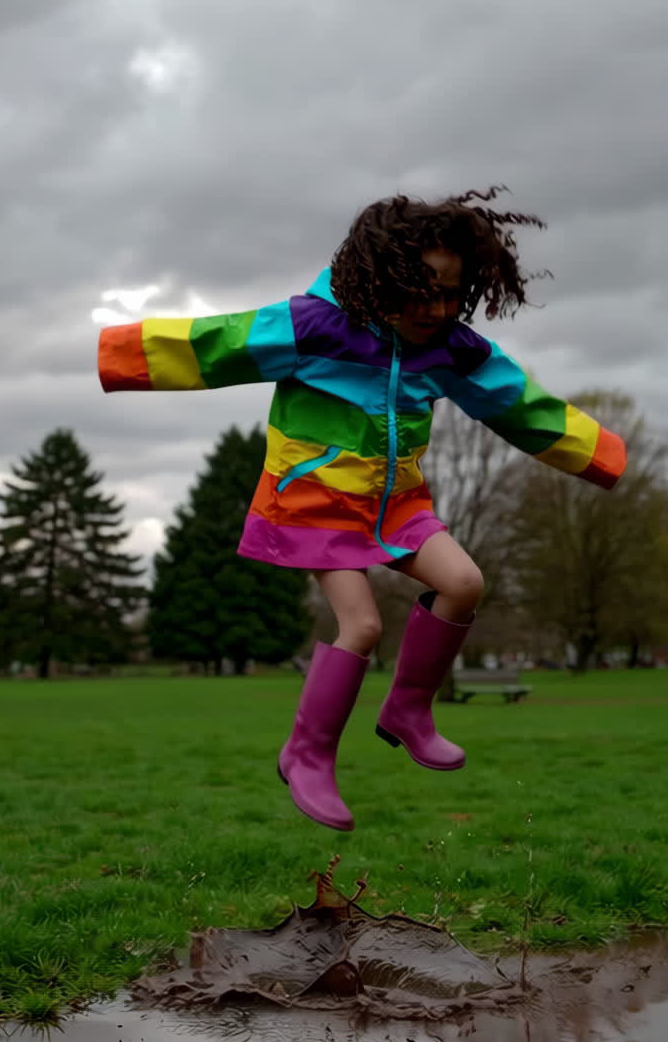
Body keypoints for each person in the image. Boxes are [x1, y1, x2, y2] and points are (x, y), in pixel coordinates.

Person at [98, 187, 627, 832]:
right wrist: (120, 353)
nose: (435, 308)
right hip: (317, 502)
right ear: (381, 282)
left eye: (450, 293)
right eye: (421, 291)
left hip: (397, 504)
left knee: (464, 583)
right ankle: (307, 755)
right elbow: (218, 343)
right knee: (365, 626)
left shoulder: (450, 349)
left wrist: (602, 455)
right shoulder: (312, 327)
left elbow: (518, 404)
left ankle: (408, 712)